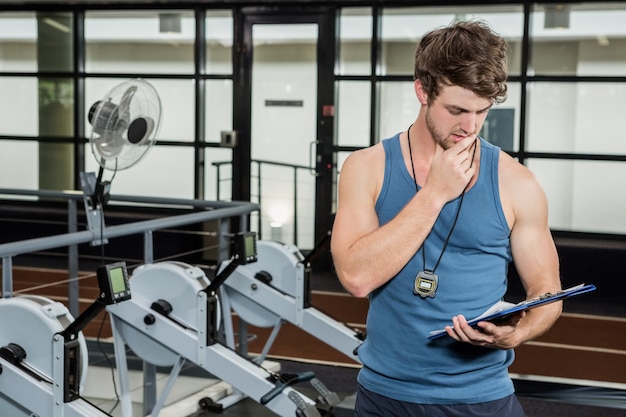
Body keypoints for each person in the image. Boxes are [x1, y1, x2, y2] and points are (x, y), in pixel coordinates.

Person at [330, 19, 562, 417]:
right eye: (456, 110)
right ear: (422, 90)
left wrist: (519, 331)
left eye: (481, 112)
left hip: (482, 399)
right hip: (385, 397)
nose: (469, 127)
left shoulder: (516, 182)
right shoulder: (366, 168)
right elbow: (356, 277)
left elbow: (546, 290)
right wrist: (435, 193)